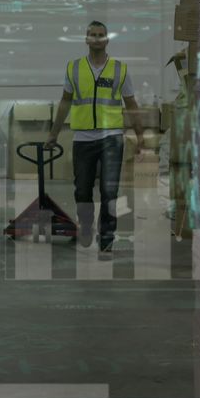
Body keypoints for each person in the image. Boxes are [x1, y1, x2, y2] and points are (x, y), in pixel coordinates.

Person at [46, 20, 144, 260]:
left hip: (112, 137)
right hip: (83, 138)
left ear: (107, 40)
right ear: (86, 39)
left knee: (109, 190)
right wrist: (54, 132)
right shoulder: (74, 68)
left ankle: (107, 240)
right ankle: (86, 226)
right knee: (82, 190)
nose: (98, 38)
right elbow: (65, 102)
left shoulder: (120, 69)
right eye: (93, 34)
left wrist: (140, 134)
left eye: (101, 35)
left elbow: (131, 104)